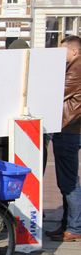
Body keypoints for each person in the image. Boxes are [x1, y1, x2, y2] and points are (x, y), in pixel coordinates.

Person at [50, 35, 81, 242]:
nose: (60, 55)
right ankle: (67, 224)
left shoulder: (76, 69)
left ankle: (74, 227)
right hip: (71, 129)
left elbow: (55, 92)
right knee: (67, 179)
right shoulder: (73, 67)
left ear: (75, 52)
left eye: (63, 51)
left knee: (68, 182)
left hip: (68, 129)